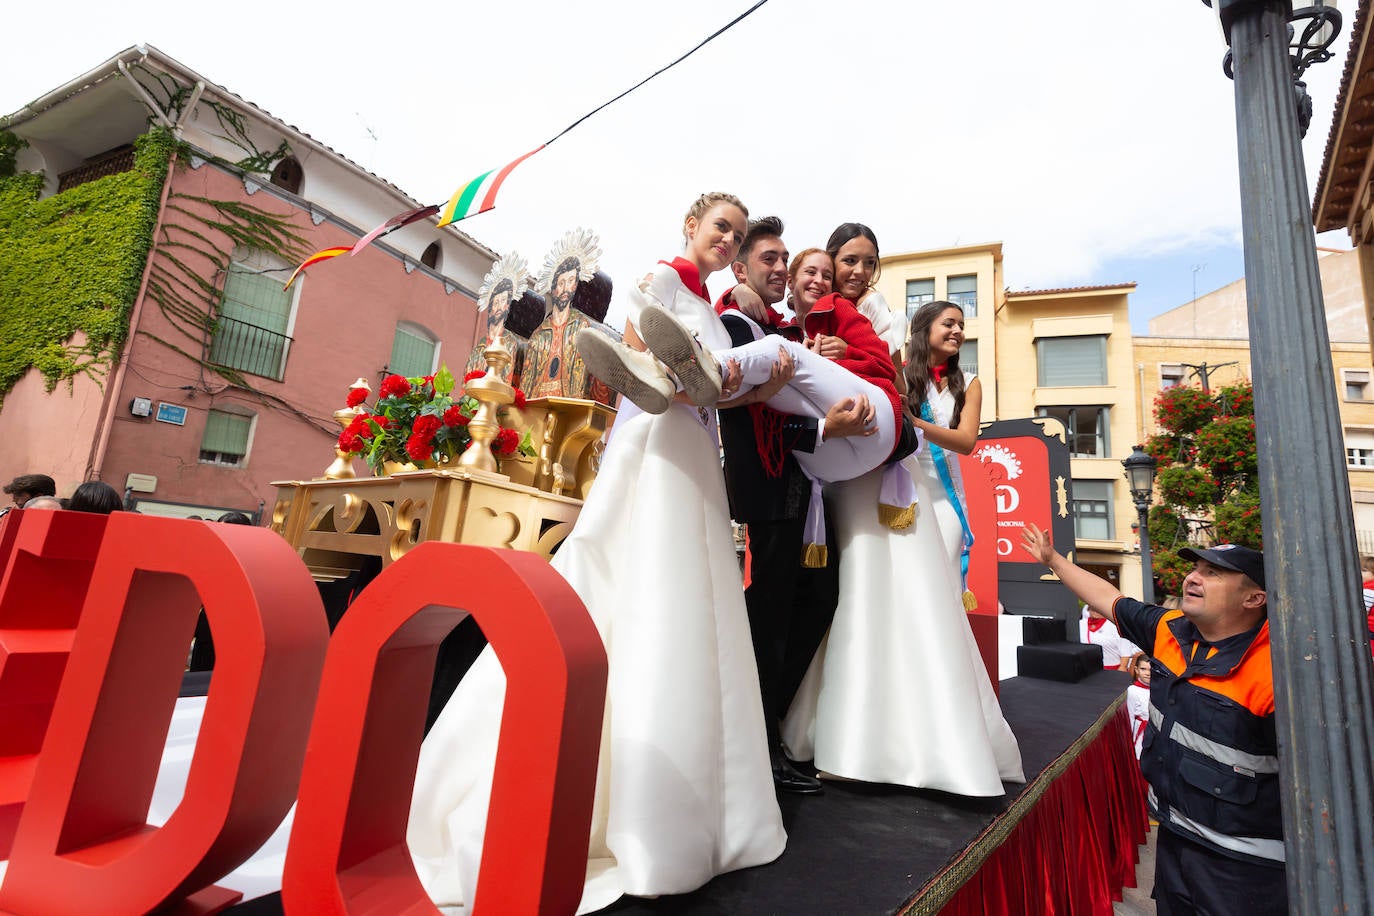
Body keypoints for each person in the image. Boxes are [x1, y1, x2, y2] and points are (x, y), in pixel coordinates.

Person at [409, 193, 787, 913]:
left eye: (737, 235)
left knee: (693, 592)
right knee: (640, 571)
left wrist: (745, 383)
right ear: (691, 227)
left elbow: (712, 395)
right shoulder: (661, 281)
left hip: (697, 444)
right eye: (721, 229)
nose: (728, 241)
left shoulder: (712, 307)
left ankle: (700, 799)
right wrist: (680, 373)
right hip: (653, 436)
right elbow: (636, 359)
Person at [783, 299, 1023, 795]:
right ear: (922, 330)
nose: (957, 331)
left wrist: (908, 423)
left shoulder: (968, 381)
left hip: (943, 505)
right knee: (883, 601)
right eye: (948, 323)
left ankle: (940, 723)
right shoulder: (897, 369)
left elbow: (965, 441)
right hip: (898, 494)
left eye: (961, 325)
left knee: (932, 611)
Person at [1020, 526, 1284, 915]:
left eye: (1213, 573)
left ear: (1254, 597)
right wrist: (1053, 560)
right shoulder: (1169, 629)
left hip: (1245, 869)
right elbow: (1111, 599)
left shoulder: (1278, 673)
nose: (1193, 577)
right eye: (1195, 568)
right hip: (1176, 842)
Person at [713, 220, 871, 795]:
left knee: (811, 603)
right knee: (771, 619)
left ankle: (770, 729)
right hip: (769, 488)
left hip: (800, 491)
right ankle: (760, 742)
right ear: (741, 267)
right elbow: (745, 413)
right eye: (770, 259)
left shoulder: (774, 327)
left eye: (788, 260)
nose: (781, 269)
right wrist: (824, 426)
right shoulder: (733, 324)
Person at [522, 229, 613, 403]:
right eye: (561, 283)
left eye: (570, 281)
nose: (565, 289)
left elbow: (598, 395)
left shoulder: (584, 329)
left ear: (577, 285)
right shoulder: (538, 336)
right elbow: (526, 388)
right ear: (553, 287)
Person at [825, 222, 905, 360]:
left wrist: (849, 353)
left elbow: (894, 376)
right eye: (850, 260)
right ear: (830, 260)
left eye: (869, 263)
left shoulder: (873, 305)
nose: (860, 271)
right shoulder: (817, 300)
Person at [464, 252, 529, 385]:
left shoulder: (513, 344)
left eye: (503, 301)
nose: (499, 307)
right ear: (490, 306)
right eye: (496, 302)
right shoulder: (479, 348)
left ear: (508, 306)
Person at [1081, 603, 1141, 670]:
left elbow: (1125, 652)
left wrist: (1122, 669)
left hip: (1112, 670)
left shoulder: (1116, 626)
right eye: (1092, 607)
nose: (1095, 610)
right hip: (1087, 670)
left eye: (1098, 608)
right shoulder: (1080, 624)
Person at [1125, 651, 1151, 758]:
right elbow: (1129, 717)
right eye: (1143, 669)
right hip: (1140, 736)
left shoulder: (1159, 690)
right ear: (1136, 670)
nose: (1147, 673)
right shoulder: (1132, 690)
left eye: (1151, 669)